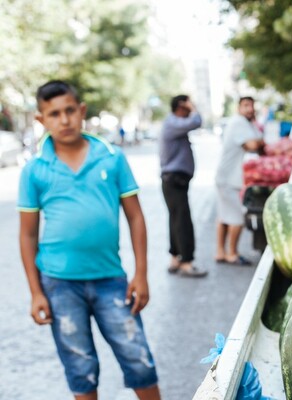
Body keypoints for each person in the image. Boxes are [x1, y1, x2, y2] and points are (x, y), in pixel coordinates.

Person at [18, 80, 160, 400]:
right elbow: (27, 234)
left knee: (138, 359)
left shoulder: (111, 157)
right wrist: (35, 292)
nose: (64, 120)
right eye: (54, 114)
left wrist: (141, 273)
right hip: (59, 284)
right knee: (80, 369)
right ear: (41, 120)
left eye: (70, 110)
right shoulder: (35, 170)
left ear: (81, 111)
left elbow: (135, 217)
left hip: (111, 279)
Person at [159, 95, 207, 277]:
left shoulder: (173, 124)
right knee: (183, 220)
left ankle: (175, 258)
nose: (191, 106)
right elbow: (197, 121)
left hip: (173, 180)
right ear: (181, 105)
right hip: (174, 180)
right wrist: (193, 107)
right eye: (188, 103)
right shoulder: (173, 123)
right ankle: (186, 261)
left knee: (176, 219)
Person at [214, 96, 264, 265]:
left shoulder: (245, 122)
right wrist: (259, 141)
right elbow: (254, 145)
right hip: (230, 178)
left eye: (251, 105)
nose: (250, 109)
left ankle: (221, 252)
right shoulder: (238, 122)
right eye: (245, 105)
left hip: (225, 177)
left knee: (224, 216)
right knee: (236, 217)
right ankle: (232, 253)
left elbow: (257, 139)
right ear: (238, 108)